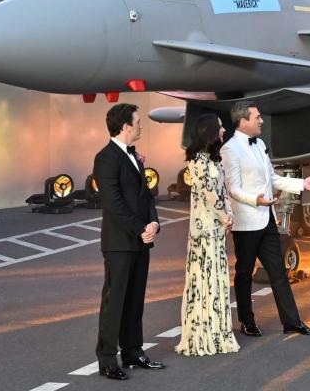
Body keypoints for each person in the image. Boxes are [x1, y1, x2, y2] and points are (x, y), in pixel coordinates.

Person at [222, 101, 310, 336]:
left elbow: (273, 179)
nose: (261, 120)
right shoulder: (230, 149)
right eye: (257, 117)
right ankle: (247, 321)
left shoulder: (260, 144)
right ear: (243, 121)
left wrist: (301, 184)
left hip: (267, 220)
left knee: (278, 271)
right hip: (246, 223)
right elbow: (233, 188)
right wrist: (255, 200)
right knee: (245, 273)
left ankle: (292, 322)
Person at [93, 103, 164, 381]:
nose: (141, 126)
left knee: (135, 299)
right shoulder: (106, 158)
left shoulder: (134, 156)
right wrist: (140, 229)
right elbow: (114, 203)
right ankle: (108, 359)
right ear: (125, 126)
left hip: (140, 239)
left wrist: (154, 223)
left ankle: (133, 351)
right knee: (115, 301)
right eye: (137, 121)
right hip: (120, 242)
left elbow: (146, 196)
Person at [175, 114, 240, 357]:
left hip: (218, 231)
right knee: (204, 281)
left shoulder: (215, 160)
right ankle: (201, 335)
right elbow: (209, 194)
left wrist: (229, 213)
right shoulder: (197, 162)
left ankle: (219, 333)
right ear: (210, 132)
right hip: (204, 232)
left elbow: (223, 190)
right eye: (220, 127)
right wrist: (225, 216)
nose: (224, 130)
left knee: (218, 281)